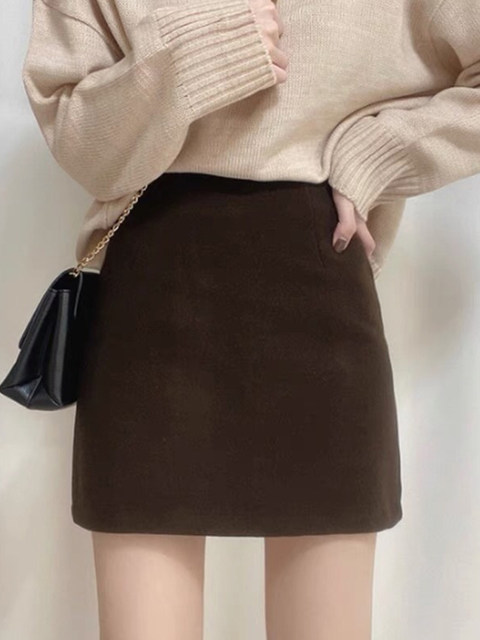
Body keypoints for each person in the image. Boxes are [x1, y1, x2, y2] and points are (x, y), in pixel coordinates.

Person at [21, 0, 480, 638]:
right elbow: (80, 143)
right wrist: (194, 58)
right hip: (151, 303)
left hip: (320, 288)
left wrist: (378, 154)